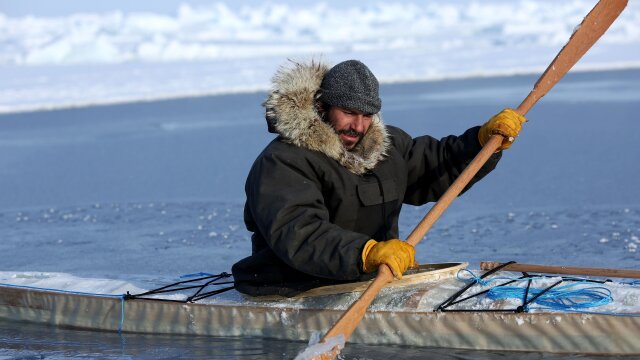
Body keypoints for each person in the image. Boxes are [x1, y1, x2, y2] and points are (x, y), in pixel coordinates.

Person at [232, 59, 526, 297]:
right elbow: (299, 233)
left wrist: (480, 142)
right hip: (292, 287)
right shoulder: (283, 161)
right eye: (349, 112)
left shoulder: (387, 146)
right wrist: (366, 253)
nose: (358, 126)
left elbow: (436, 164)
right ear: (323, 107)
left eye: (367, 114)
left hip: (373, 280)